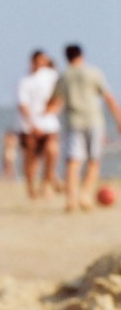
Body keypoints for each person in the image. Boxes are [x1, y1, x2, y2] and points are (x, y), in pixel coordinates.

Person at [45, 43, 121, 212]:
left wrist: (45, 111)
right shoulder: (94, 73)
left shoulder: (64, 76)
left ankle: (71, 199)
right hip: (94, 121)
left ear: (66, 58)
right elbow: (109, 98)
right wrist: (119, 119)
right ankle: (85, 194)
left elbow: (52, 101)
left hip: (73, 122)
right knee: (94, 161)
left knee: (73, 162)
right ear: (82, 56)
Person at [15, 49, 60, 199]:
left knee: (52, 151)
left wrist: (55, 107)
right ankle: (31, 189)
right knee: (31, 159)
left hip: (49, 125)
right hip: (29, 127)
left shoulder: (52, 76)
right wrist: (32, 124)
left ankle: (46, 183)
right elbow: (23, 105)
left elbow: (60, 95)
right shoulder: (25, 81)